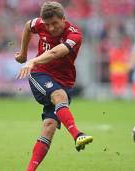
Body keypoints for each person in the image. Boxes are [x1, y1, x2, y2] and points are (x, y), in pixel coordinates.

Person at [15, 2, 93, 171]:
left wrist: (32, 59)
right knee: (59, 96)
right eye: (48, 24)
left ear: (63, 20)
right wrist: (23, 53)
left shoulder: (74, 36)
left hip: (64, 81)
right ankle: (77, 135)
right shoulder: (40, 23)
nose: (50, 28)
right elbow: (28, 26)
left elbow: (55, 53)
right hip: (39, 74)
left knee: (49, 126)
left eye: (55, 23)